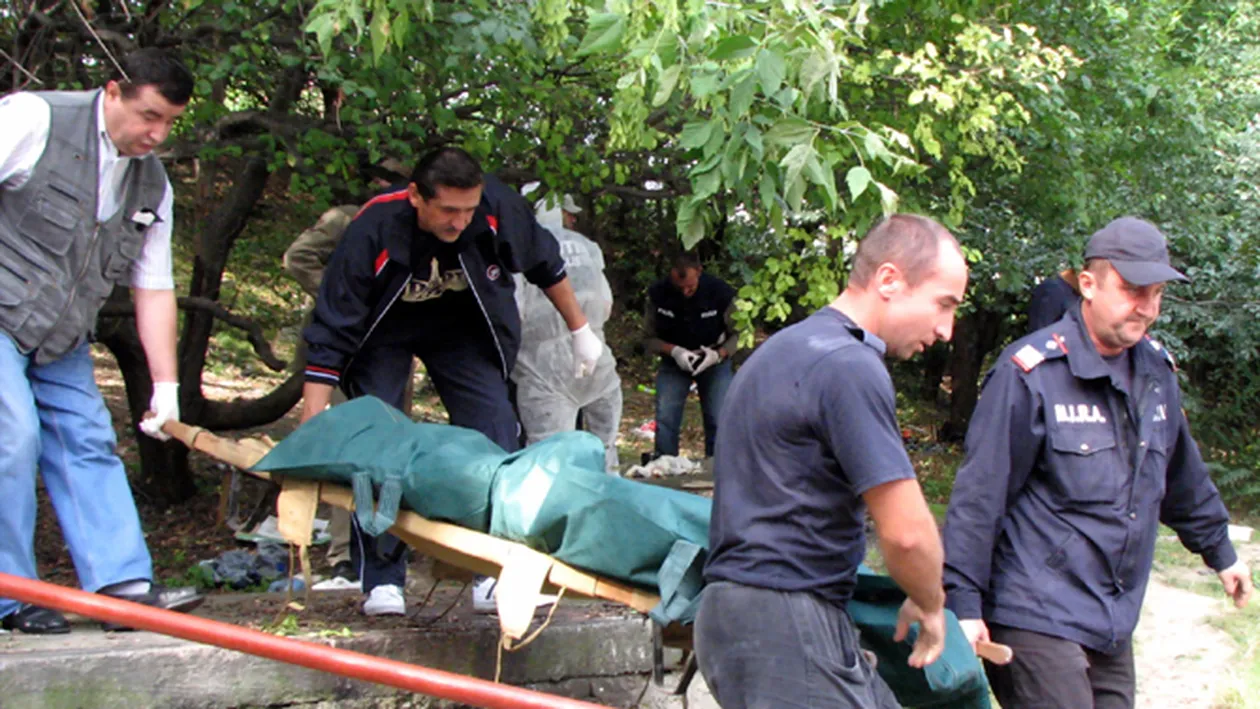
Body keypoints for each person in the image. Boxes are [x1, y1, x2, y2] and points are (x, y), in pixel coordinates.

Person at [943, 217, 1253, 709]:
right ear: (1087, 284)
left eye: (1156, 294)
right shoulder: (1032, 373)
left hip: (1110, 615)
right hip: (1034, 608)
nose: (1147, 309)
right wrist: (962, 600)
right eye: (1132, 291)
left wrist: (1221, 550)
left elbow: (1179, 476)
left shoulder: (1155, 370)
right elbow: (981, 496)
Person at [300, 147, 603, 616]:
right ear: (416, 197)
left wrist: (581, 332)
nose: (460, 221)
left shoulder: (497, 208)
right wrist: (312, 417)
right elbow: (333, 324)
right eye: (448, 210)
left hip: (463, 329)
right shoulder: (373, 227)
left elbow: (547, 266)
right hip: (384, 332)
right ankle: (381, 579)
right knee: (376, 439)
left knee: (496, 431)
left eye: (468, 209)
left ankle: (493, 572)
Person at [697, 215, 969, 709]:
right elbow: (906, 533)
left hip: (742, 613)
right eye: (943, 304)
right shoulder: (849, 365)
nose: (947, 329)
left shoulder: (781, 351)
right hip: (783, 618)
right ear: (888, 280)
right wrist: (930, 602)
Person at [0, 48, 205, 634]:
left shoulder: (152, 184)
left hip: (61, 338)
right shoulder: (32, 120)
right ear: (113, 92)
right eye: (148, 115)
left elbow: (154, 288)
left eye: (170, 122)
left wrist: (166, 384)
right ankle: (9, 596)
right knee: (11, 439)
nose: (157, 133)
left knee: (89, 441)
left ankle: (121, 588)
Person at [283, 157, 408, 587]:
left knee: (388, 446)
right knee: (348, 447)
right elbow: (297, 258)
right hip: (341, 350)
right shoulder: (346, 221)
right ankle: (345, 557)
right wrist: (345, 299)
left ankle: (383, 548)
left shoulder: (410, 229)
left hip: (390, 348)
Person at [513, 193, 622, 472]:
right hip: (595, 361)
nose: (572, 219)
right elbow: (606, 305)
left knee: (547, 460)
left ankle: (553, 513)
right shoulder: (588, 247)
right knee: (605, 450)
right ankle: (609, 508)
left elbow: (516, 310)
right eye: (567, 213)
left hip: (543, 369)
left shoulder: (519, 245)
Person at [644, 252, 738, 460]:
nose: (685, 292)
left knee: (719, 416)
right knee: (666, 416)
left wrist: (718, 354)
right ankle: (665, 466)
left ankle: (717, 467)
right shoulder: (658, 294)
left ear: (699, 272)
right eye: (680, 287)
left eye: (690, 287)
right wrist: (674, 351)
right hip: (674, 360)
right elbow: (648, 338)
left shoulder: (721, 293)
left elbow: (739, 334)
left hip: (713, 359)